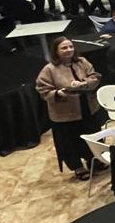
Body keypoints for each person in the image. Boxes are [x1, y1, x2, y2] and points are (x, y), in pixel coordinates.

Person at [35, 37, 104, 178]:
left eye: (70, 47)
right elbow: (42, 89)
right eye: (64, 48)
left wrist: (83, 83)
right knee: (70, 140)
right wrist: (58, 93)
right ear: (56, 51)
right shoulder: (49, 69)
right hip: (65, 113)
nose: (69, 50)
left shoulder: (82, 62)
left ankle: (95, 159)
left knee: (92, 134)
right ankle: (77, 167)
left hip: (87, 107)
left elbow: (94, 77)